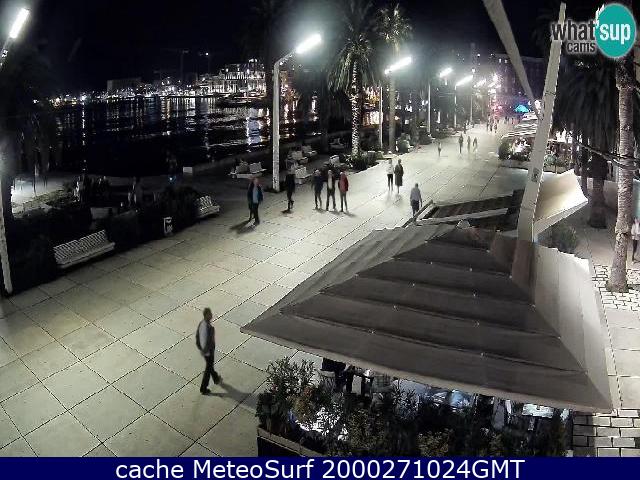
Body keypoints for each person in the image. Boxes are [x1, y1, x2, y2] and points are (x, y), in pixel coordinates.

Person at [196, 307, 220, 395]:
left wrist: (200, 348)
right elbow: (209, 341)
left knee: (210, 366)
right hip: (208, 352)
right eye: (210, 314)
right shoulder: (208, 327)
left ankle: (216, 378)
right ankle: (203, 388)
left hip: (206, 351)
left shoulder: (201, 324)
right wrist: (205, 350)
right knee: (208, 369)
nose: (211, 315)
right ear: (206, 315)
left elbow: (197, 337)